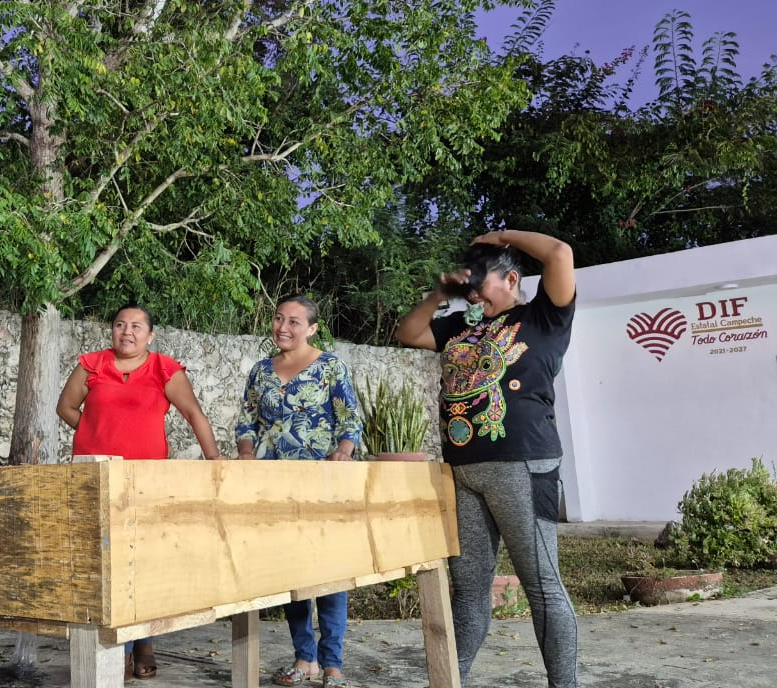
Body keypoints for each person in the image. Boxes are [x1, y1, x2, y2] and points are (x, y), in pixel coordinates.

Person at [394, 230, 577, 688]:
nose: (474, 293)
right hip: (465, 472)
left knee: (542, 587)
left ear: (512, 279)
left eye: (481, 282)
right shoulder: (461, 326)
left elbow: (560, 254)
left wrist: (501, 236)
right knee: (470, 590)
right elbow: (408, 333)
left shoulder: (543, 317)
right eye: (469, 285)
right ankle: (450, 681)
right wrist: (440, 294)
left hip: (523, 465)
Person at [55, 302, 222, 679]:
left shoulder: (164, 368)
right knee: (100, 565)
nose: (126, 332)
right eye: (119, 324)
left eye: (136, 326)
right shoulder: (92, 365)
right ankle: (113, 647)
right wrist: (96, 431)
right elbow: (65, 407)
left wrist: (214, 458)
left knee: (142, 565)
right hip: (95, 478)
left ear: (150, 335)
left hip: (146, 481)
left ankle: (140, 642)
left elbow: (193, 413)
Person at [235, 294, 364, 688]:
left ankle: (332, 664)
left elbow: (350, 419)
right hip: (273, 487)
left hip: (322, 485)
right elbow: (246, 420)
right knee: (289, 572)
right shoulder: (261, 371)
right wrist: (246, 454)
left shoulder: (330, 367)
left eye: (294, 321)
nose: (283, 327)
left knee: (330, 573)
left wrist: (343, 453)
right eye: (278, 319)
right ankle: (304, 658)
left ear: (312, 328)